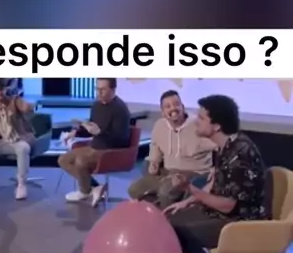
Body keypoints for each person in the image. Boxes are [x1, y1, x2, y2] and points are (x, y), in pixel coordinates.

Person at [164, 94, 268, 253]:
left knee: (171, 230)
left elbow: (227, 205)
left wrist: (190, 189)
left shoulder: (240, 154)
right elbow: (215, 185)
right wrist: (187, 202)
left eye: (201, 118)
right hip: (220, 214)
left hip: (238, 222)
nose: (195, 121)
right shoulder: (226, 146)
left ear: (217, 126)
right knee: (168, 218)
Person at [128, 90, 214, 208]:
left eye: (176, 104)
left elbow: (219, 145)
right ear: (163, 112)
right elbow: (155, 147)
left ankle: (166, 216)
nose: (173, 108)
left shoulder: (197, 125)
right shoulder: (160, 125)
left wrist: (216, 169)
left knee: (166, 192)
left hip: (193, 174)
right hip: (167, 172)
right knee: (134, 189)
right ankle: (153, 213)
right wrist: (154, 162)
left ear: (183, 107)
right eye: (168, 106)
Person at [58, 78, 131, 206]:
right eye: (97, 89)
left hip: (111, 151)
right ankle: (94, 187)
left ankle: (85, 191)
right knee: (63, 159)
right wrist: (75, 133)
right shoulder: (96, 105)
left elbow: (122, 139)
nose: (99, 93)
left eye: (103, 89)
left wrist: (100, 133)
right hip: (95, 147)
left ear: (113, 90)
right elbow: (91, 129)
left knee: (81, 161)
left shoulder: (120, 109)